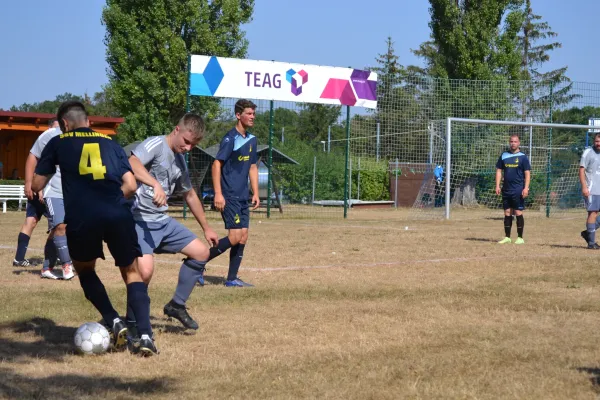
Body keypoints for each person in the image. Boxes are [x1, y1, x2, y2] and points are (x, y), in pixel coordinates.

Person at [32, 101, 157, 356]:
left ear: (64, 124)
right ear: (88, 121)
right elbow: (131, 186)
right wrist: (109, 202)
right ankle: (145, 336)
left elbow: (36, 184)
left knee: (85, 270)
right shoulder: (111, 143)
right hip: (117, 213)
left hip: (82, 217)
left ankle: (113, 320)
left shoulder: (59, 142)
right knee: (132, 273)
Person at [127, 113, 218, 332]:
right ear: (177, 130)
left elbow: (190, 195)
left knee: (201, 253)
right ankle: (132, 323)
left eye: (193, 145)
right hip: (139, 221)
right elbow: (131, 162)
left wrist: (206, 228)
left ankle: (176, 305)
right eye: (187, 142)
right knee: (145, 272)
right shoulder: (156, 144)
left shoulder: (179, 160)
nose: (188, 148)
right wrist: (154, 184)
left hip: (162, 222)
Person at [201, 99, 260, 287]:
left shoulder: (252, 140)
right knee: (234, 236)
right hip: (229, 194)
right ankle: (197, 263)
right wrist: (218, 193)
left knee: (243, 236)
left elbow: (252, 167)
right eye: (249, 113)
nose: (252, 117)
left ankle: (232, 278)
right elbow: (216, 164)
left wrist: (256, 193)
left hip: (243, 195)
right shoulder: (230, 138)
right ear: (238, 115)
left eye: (253, 114)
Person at [13, 119, 74, 282]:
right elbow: (34, 158)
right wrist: (31, 184)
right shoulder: (49, 136)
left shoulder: (80, 138)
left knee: (58, 228)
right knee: (55, 225)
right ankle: (66, 264)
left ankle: (47, 267)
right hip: (50, 190)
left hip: (70, 192)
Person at [495, 134, 531, 245]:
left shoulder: (523, 157)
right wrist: (497, 185)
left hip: (518, 189)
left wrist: (526, 188)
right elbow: (499, 171)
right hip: (506, 189)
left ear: (518, 143)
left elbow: (527, 173)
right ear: (509, 142)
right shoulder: (504, 155)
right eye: (511, 141)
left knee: (518, 212)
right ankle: (507, 237)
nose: (513, 143)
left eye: (515, 141)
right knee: (507, 212)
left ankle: (520, 238)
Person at [579, 133, 600, 249]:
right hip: (592, 189)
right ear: (594, 141)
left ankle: (588, 232)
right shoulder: (588, 152)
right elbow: (581, 170)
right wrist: (584, 187)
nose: (599, 144)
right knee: (593, 213)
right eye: (597, 141)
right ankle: (591, 243)